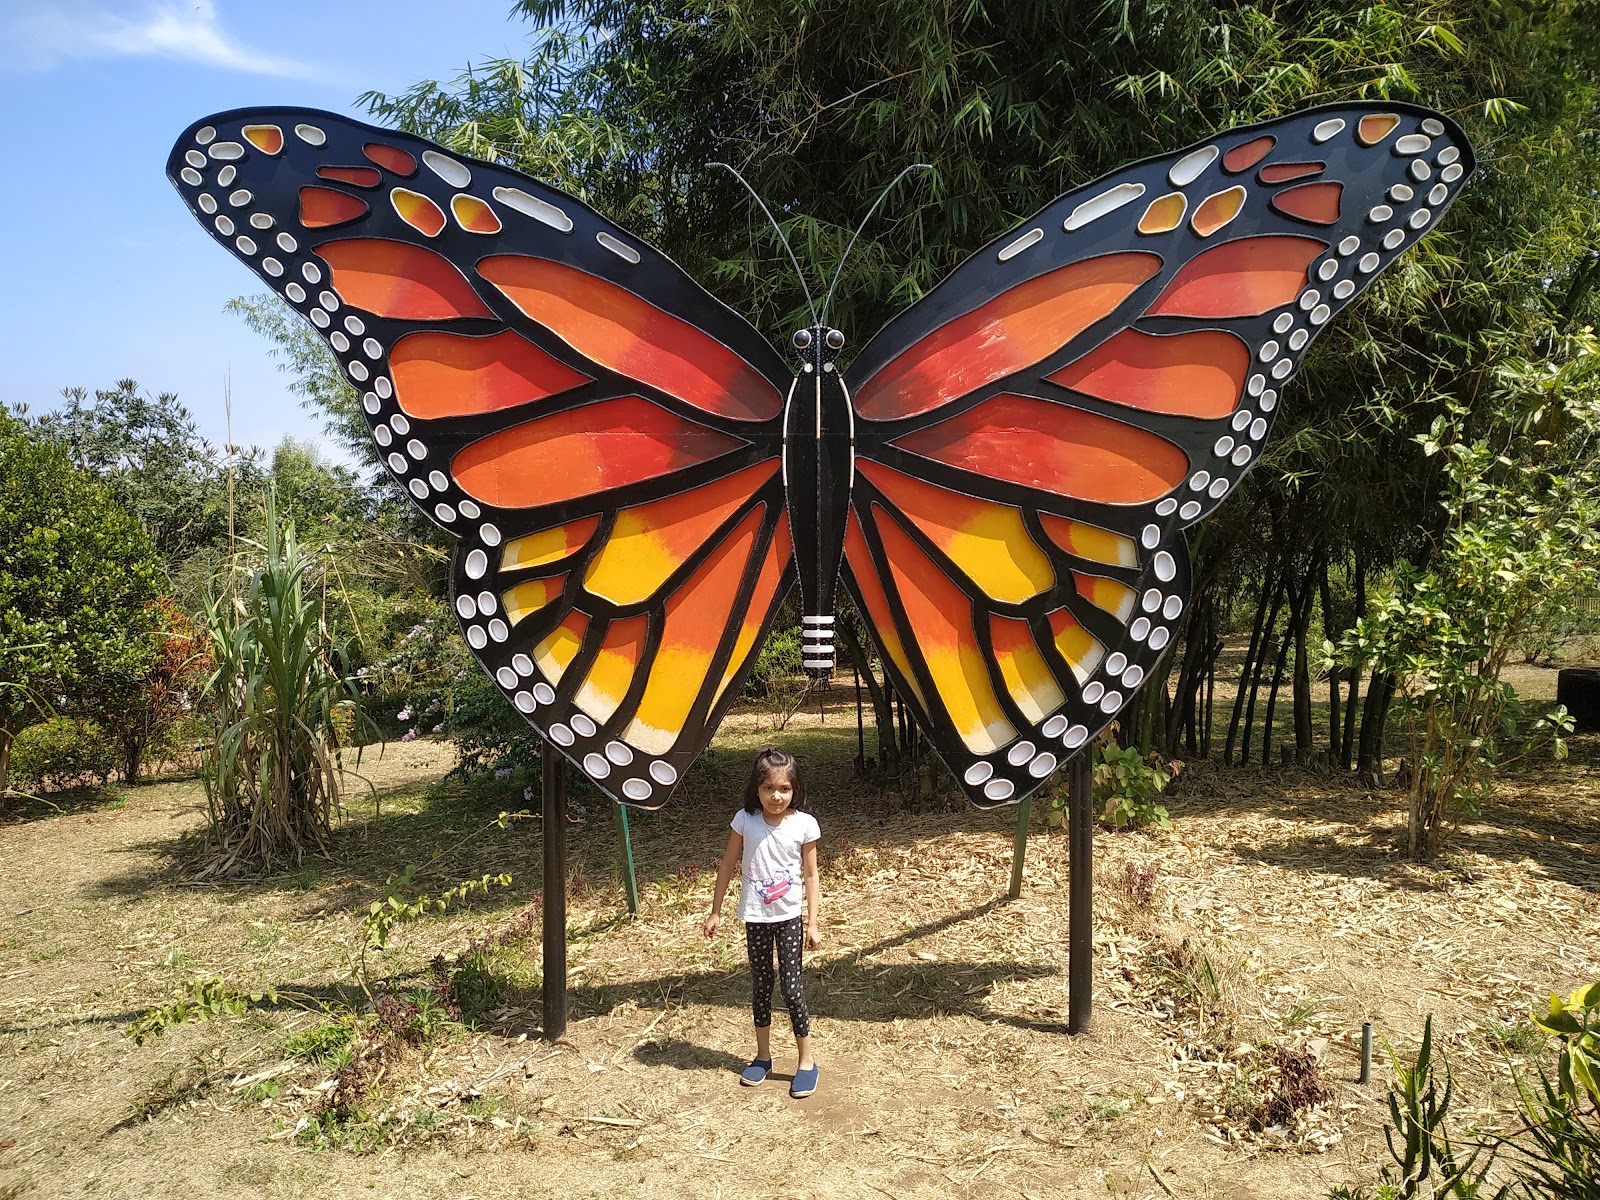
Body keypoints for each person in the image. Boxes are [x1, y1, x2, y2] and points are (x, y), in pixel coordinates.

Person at [703, 747, 822, 1098]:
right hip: (755, 917)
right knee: (761, 985)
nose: (776, 796)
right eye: (769, 788)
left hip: (788, 918)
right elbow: (727, 865)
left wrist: (813, 922)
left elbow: (812, 875)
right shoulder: (745, 820)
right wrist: (715, 910)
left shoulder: (804, 824)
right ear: (757, 788)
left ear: (794, 790)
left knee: (791, 985)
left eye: (784, 789)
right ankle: (763, 1056)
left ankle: (806, 1062)